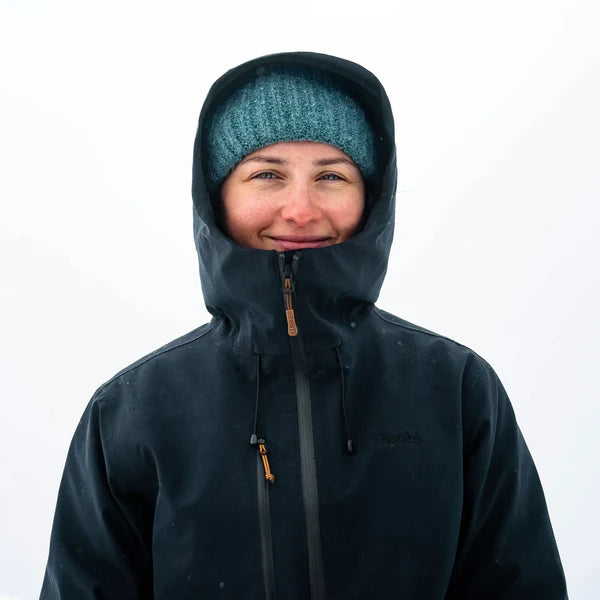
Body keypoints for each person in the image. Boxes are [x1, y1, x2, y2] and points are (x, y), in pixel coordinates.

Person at [40, 52, 568, 599]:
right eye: (267, 174)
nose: (300, 209)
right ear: (218, 198)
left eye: (331, 176)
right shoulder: (133, 409)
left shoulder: (455, 389)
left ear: (370, 198)